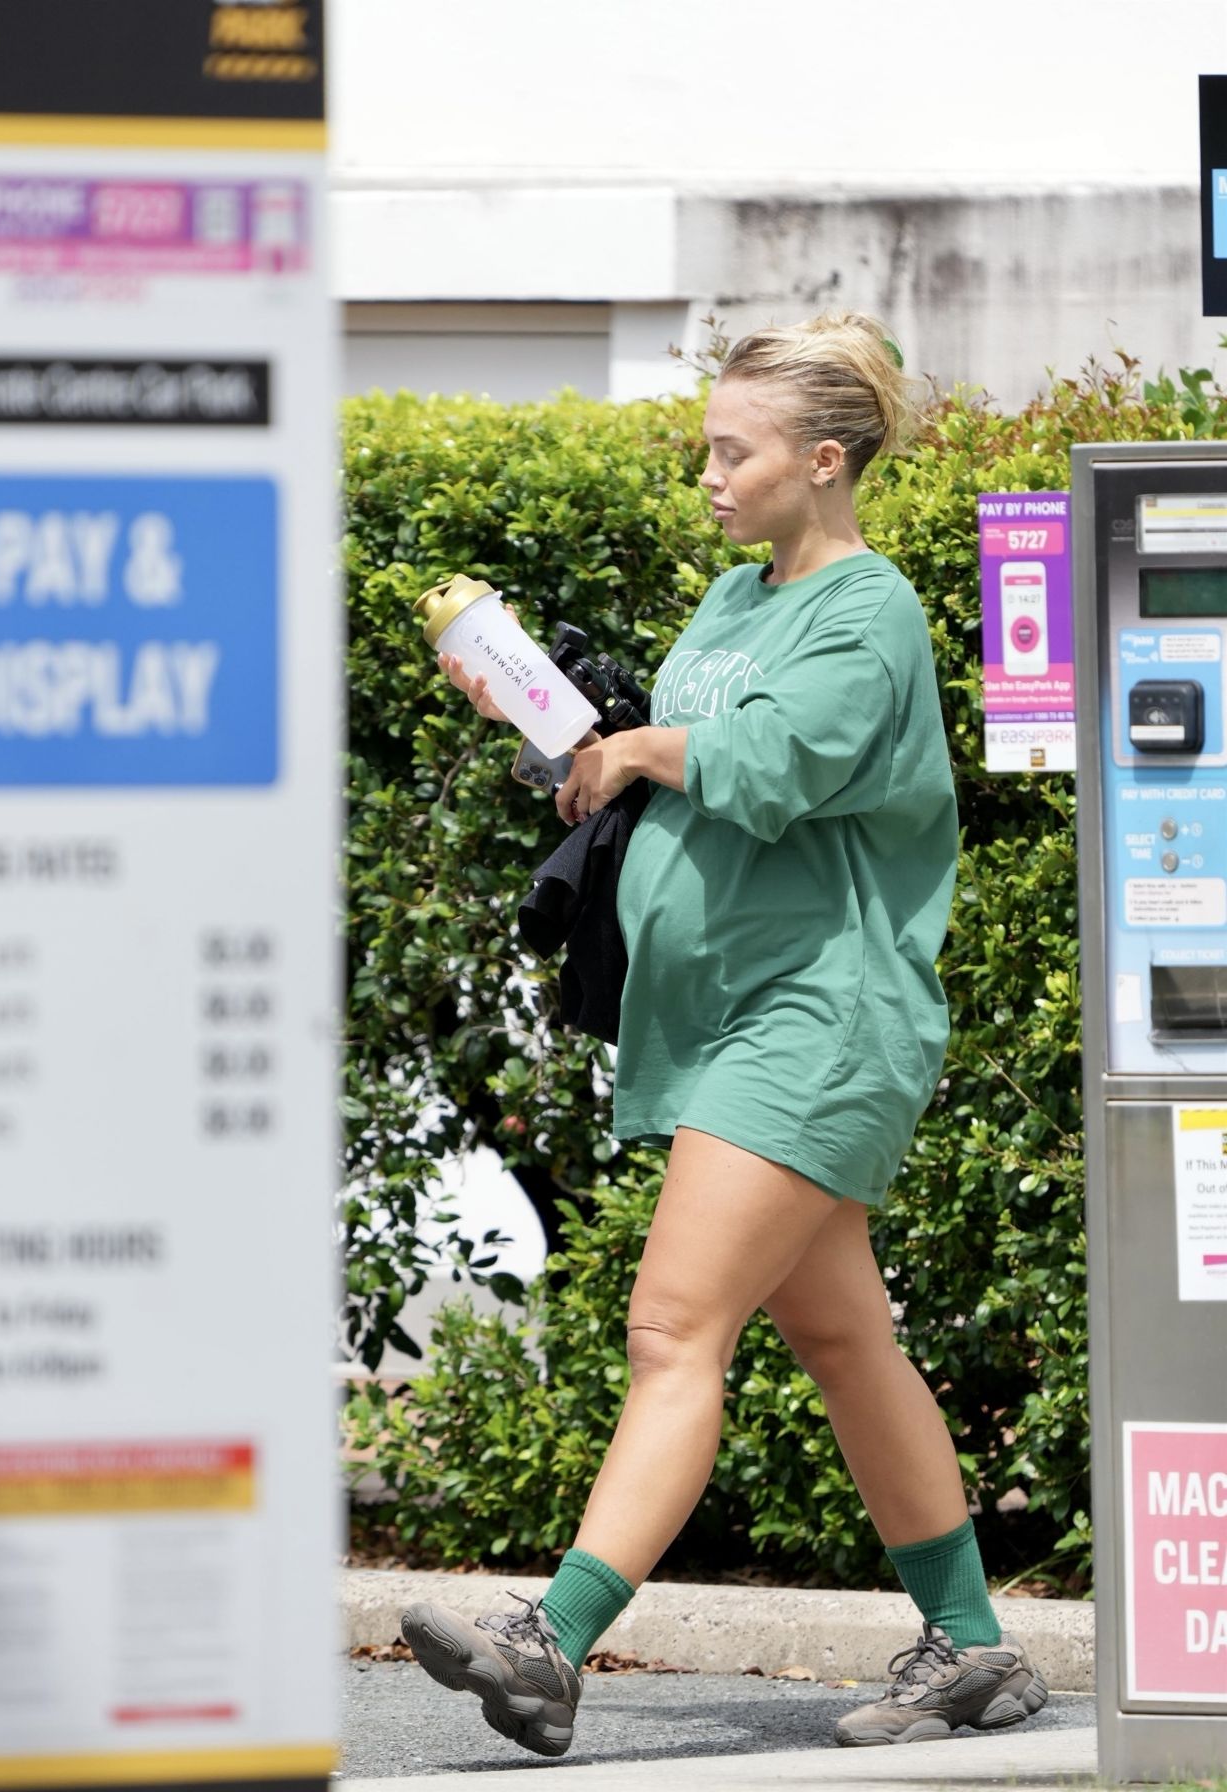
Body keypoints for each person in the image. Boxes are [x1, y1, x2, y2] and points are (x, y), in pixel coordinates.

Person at [402, 312, 1048, 1757]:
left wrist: (647, 749)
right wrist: (574, 737)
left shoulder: (866, 609)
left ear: (823, 462)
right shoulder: (731, 603)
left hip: (821, 1015)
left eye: (731, 450)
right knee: (839, 1334)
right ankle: (977, 1652)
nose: (707, 471)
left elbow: (775, 765)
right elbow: (679, 768)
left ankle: (549, 1642)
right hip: (733, 1022)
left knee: (675, 1326)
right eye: (708, 446)